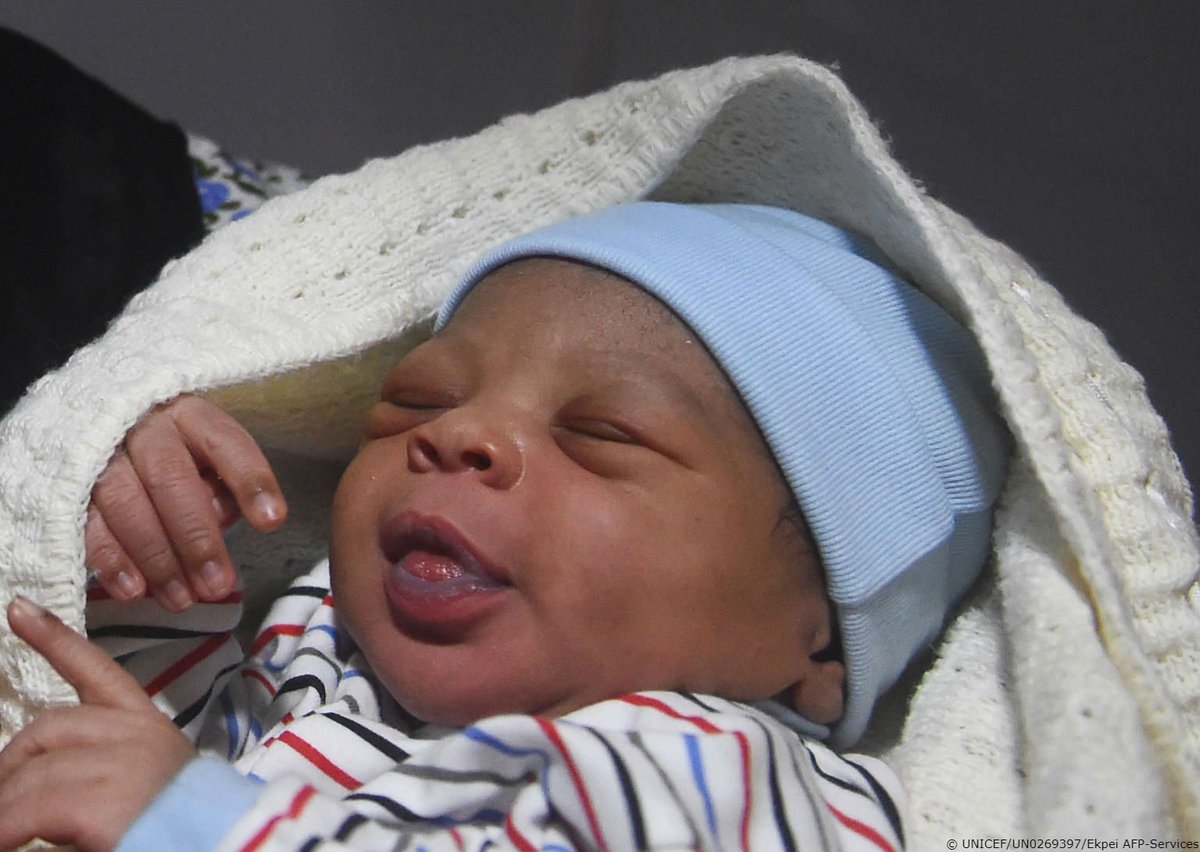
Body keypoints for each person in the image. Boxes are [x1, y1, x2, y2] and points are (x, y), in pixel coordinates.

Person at [0, 202, 1008, 851]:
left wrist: (195, 828)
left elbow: (188, 808)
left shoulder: (724, 774)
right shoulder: (322, 639)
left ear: (819, 632)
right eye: (416, 401)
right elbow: (155, 758)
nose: (460, 435)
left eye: (602, 433)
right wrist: (150, 571)